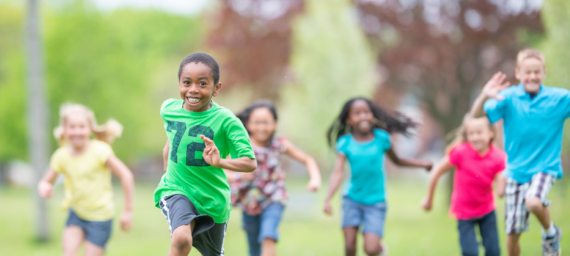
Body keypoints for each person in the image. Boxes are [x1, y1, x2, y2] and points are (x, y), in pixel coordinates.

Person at [154, 52, 257, 256]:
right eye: (187, 82)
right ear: (179, 84)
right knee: (182, 239)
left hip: (213, 200)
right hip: (177, 189)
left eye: (202, 84)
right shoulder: (168, 109)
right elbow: (172, 136)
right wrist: (167, 162)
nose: (193, 90)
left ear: (216, 88)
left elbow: (250, 163)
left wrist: (219, 162)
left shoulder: (227, 121)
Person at [469, 48, 563, 256]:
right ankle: (550, 233)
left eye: (537, 72)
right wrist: (484, 95)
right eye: (527, 72)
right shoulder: (508, 98)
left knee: (533, 201)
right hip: (515, 172)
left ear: (544, 73)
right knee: (512, 236)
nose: (532, 76)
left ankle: (551, 234)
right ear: (518, 73)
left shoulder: (558, 98)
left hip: (545, 167)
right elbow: (474, 118)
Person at [323, 97, 432, 256]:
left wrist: (421, 164)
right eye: (357, 113)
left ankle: (380, 249)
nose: (363, 116)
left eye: (366, 112)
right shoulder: (345, 143)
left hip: (376, 201)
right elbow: (337, 172)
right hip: (351, 199)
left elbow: (398, 160)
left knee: (371, 249)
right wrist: (328, 198)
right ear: (348, 120)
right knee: (349, 246)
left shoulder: (382, 138)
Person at [37, 103, 135, 256]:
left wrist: (128, 211)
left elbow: (126, 175)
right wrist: (44, 187)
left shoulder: (100, 151)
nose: (77, 131)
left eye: (81, 126)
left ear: (90, 128)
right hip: (76, 213)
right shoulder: (61, 156)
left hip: (100, 217)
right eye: (72, 127)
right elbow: (45, 181)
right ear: (64, 129)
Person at [227, 101, 322, 256]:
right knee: (254, 247)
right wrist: (238, 175)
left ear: (275, 124)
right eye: (256, 122)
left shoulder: (279, 143)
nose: (261, 127)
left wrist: (315, 179)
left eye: (266, 122)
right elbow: (221, 170)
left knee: (268, 235)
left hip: (274, 197)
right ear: (248, 124)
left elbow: (307, 159)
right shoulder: (241, 145)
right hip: (248, 201)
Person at [421, 116, 506, 256]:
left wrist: (502, 188)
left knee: (493, 251)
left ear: (491, 133)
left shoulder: (499, 157)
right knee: (469, 252)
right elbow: (436, 172)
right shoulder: (461, 152)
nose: (475, 137)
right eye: (471, 134)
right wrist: (429, 199)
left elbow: (502, 187)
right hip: (464, 212)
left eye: (479, 133)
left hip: (487, 210)